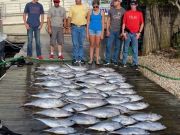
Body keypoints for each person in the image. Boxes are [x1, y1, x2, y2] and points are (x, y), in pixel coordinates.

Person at [121, 0, 144, 70]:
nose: (132, 5)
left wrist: (139, 33)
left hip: (135, 34)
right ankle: (123, 63)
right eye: (131, 4)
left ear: (136, 5)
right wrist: (123, 32)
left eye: (134, 4)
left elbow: (142, 23)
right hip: (127, 33)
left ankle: (135, 64)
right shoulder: (126, 13)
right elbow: (124, 23)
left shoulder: (139, 13)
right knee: (125, 49)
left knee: (135, 50)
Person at [104, 0, 125, 66]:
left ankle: (114, 60)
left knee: (117, 47)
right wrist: (107, 30)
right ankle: (107, 60)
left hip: (119, 32)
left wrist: (123, 32)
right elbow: (108, 20)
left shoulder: (123, 11)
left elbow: (125, 22)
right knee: (108, 45)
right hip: (111, 31)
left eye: (115, 1)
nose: (114, 2)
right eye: (114, 1)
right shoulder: (111, 10)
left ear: (119, 2)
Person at [68, 0, 89, 65]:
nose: (77, 0)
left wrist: (87, 27)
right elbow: (69, 17)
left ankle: (81, 58)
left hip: (83, 27)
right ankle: (75, 58)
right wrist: (68, 27)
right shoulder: (72, 7)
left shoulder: (85, 7)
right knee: (75, 44)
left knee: (81, 44)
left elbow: (88, 17)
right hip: (74, 27)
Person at [86, 0, 105, 65]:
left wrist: (102, 33)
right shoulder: (90, 12)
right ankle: (91, 59)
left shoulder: (102, 12)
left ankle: (97, 60)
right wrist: (87, 33)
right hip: (91, 30)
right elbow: (88, 22)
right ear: (92, 6)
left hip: (99, 30)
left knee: (97, 45)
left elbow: (103, 23)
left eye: (96, 6)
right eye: (94, 7)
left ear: (98, 6)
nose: (95, 8)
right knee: (91, 45)